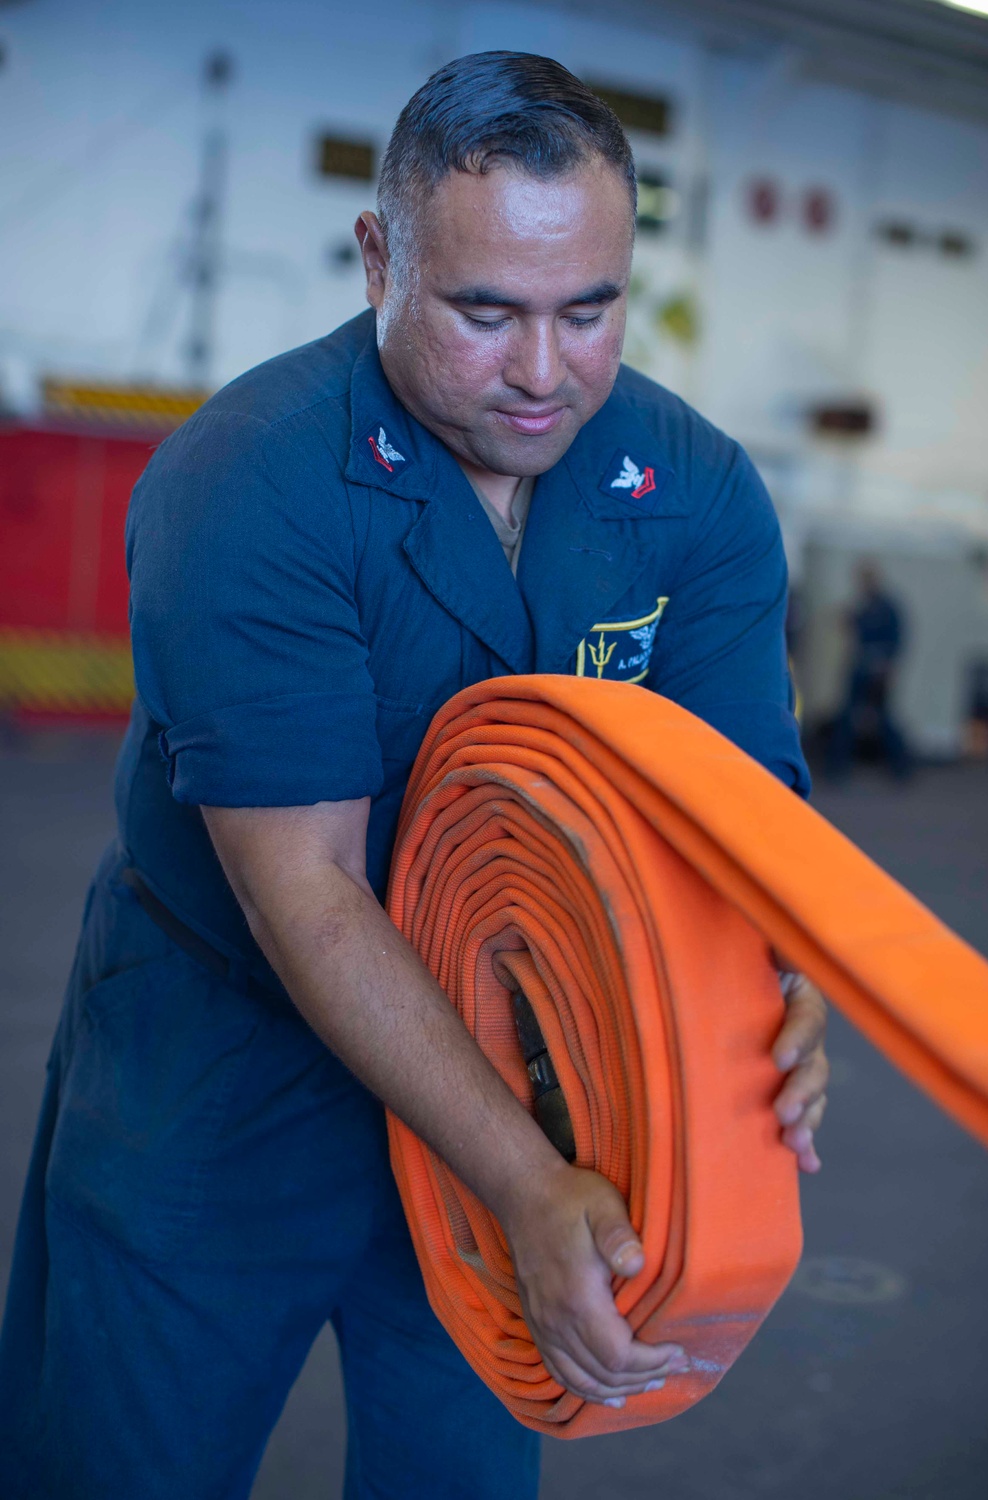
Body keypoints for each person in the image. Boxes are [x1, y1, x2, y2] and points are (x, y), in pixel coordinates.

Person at [0, 52, 829, 1500]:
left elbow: (739, 826)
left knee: (460, 1465)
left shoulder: (690, 491)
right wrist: (520, 1178)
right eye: (484, 312)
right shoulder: (248, 482)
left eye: (591, 310)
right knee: (122, 1460)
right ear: (379, 254)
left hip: (536, 1050)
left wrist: (777, 994)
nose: (543, 371)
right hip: (221, 1059)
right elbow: (308, 893)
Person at [826, 560, 911, 780]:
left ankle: (901, 768)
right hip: (862, 667)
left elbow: (895, 640)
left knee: (881, 719)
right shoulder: (867, 605)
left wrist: (887, 667)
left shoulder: (886, 607)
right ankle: (837, 768)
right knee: (848, 718)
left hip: (876, 671)